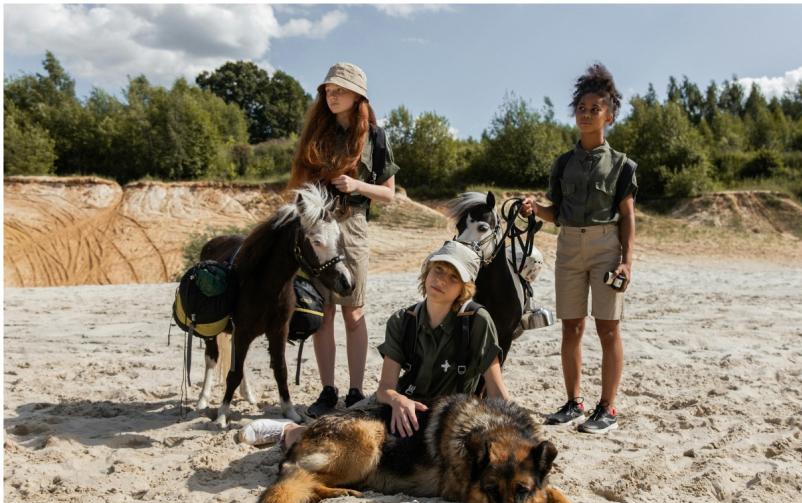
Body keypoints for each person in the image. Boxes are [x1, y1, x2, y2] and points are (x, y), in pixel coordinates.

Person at [238, 240, 510, 447]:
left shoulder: (477, 321)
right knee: (337, 433)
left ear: (464, 289)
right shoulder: (403, 320)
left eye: (453, 277)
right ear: (427, 271)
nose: (441, 280)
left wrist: (516, 427)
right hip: (402, 410)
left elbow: (497, 392)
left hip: (453, 418)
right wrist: (398, 400)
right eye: (438, 269)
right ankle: (287, 431)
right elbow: (385, 389)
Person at [520, 63, 637, 434]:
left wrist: (627, 262)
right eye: (581, 108)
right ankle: (574, 403)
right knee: (571, 327)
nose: (586, 114)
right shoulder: (562, 164)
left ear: (610, 116)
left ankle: (608, 408)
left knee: (608, 329)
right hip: (568, 246)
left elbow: (627, 216)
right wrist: (535, 209)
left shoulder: (622, 166)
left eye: (595, 109)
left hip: (606, 247)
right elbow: (556, 213)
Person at [287, 62, 400, 417]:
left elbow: (389, 194)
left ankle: (355, 392)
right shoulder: (317, 134)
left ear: (357, 96)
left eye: (339, 91)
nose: (332, 96)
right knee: (322, 312)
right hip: (319, 227)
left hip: (353, 226)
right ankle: (327, 391)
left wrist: (357, 185)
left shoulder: (376, 137)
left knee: (353, 312)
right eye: (328, 91)